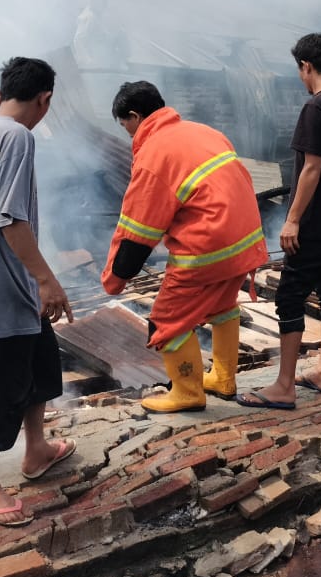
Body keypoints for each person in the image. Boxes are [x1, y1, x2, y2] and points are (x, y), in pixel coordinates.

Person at [0, 56, 75, 528]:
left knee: (41, 366)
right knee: (1, 390)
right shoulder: (17, 137)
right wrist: (45, 277)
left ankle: (37, 450)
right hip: (5, 294)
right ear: (45, 99)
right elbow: (12, 218)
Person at [103, 81, 268, 412]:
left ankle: (188, 392)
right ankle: (223, 377)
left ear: (134, 116)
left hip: (208, 247)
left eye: (126, 126)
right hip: (245, 241)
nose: (128, 135)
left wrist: (117, 277)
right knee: (222, 306)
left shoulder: (153, 154)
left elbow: (138, 230)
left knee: (166, 321)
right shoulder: (203, 131)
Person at [238, 33, 321, 409]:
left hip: (317, 220)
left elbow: (312, 168)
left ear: (306, 66)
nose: (300, 77)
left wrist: (292, 220)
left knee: (289, 295)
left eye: (299, 70)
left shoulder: (316, 108)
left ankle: (284, 385)